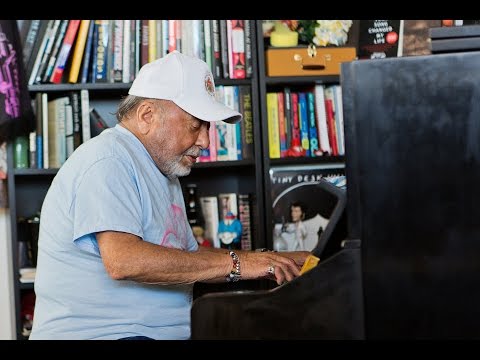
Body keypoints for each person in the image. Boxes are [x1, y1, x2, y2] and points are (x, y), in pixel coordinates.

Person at [29, 51, 309, 340]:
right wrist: (241, 263)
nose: (205, 141)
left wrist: (269, 261)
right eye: (194, 124)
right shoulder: (108, 159)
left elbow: (188, 256)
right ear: (147, 115)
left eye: (207, 127)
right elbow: (124, 261)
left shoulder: (162, 171)